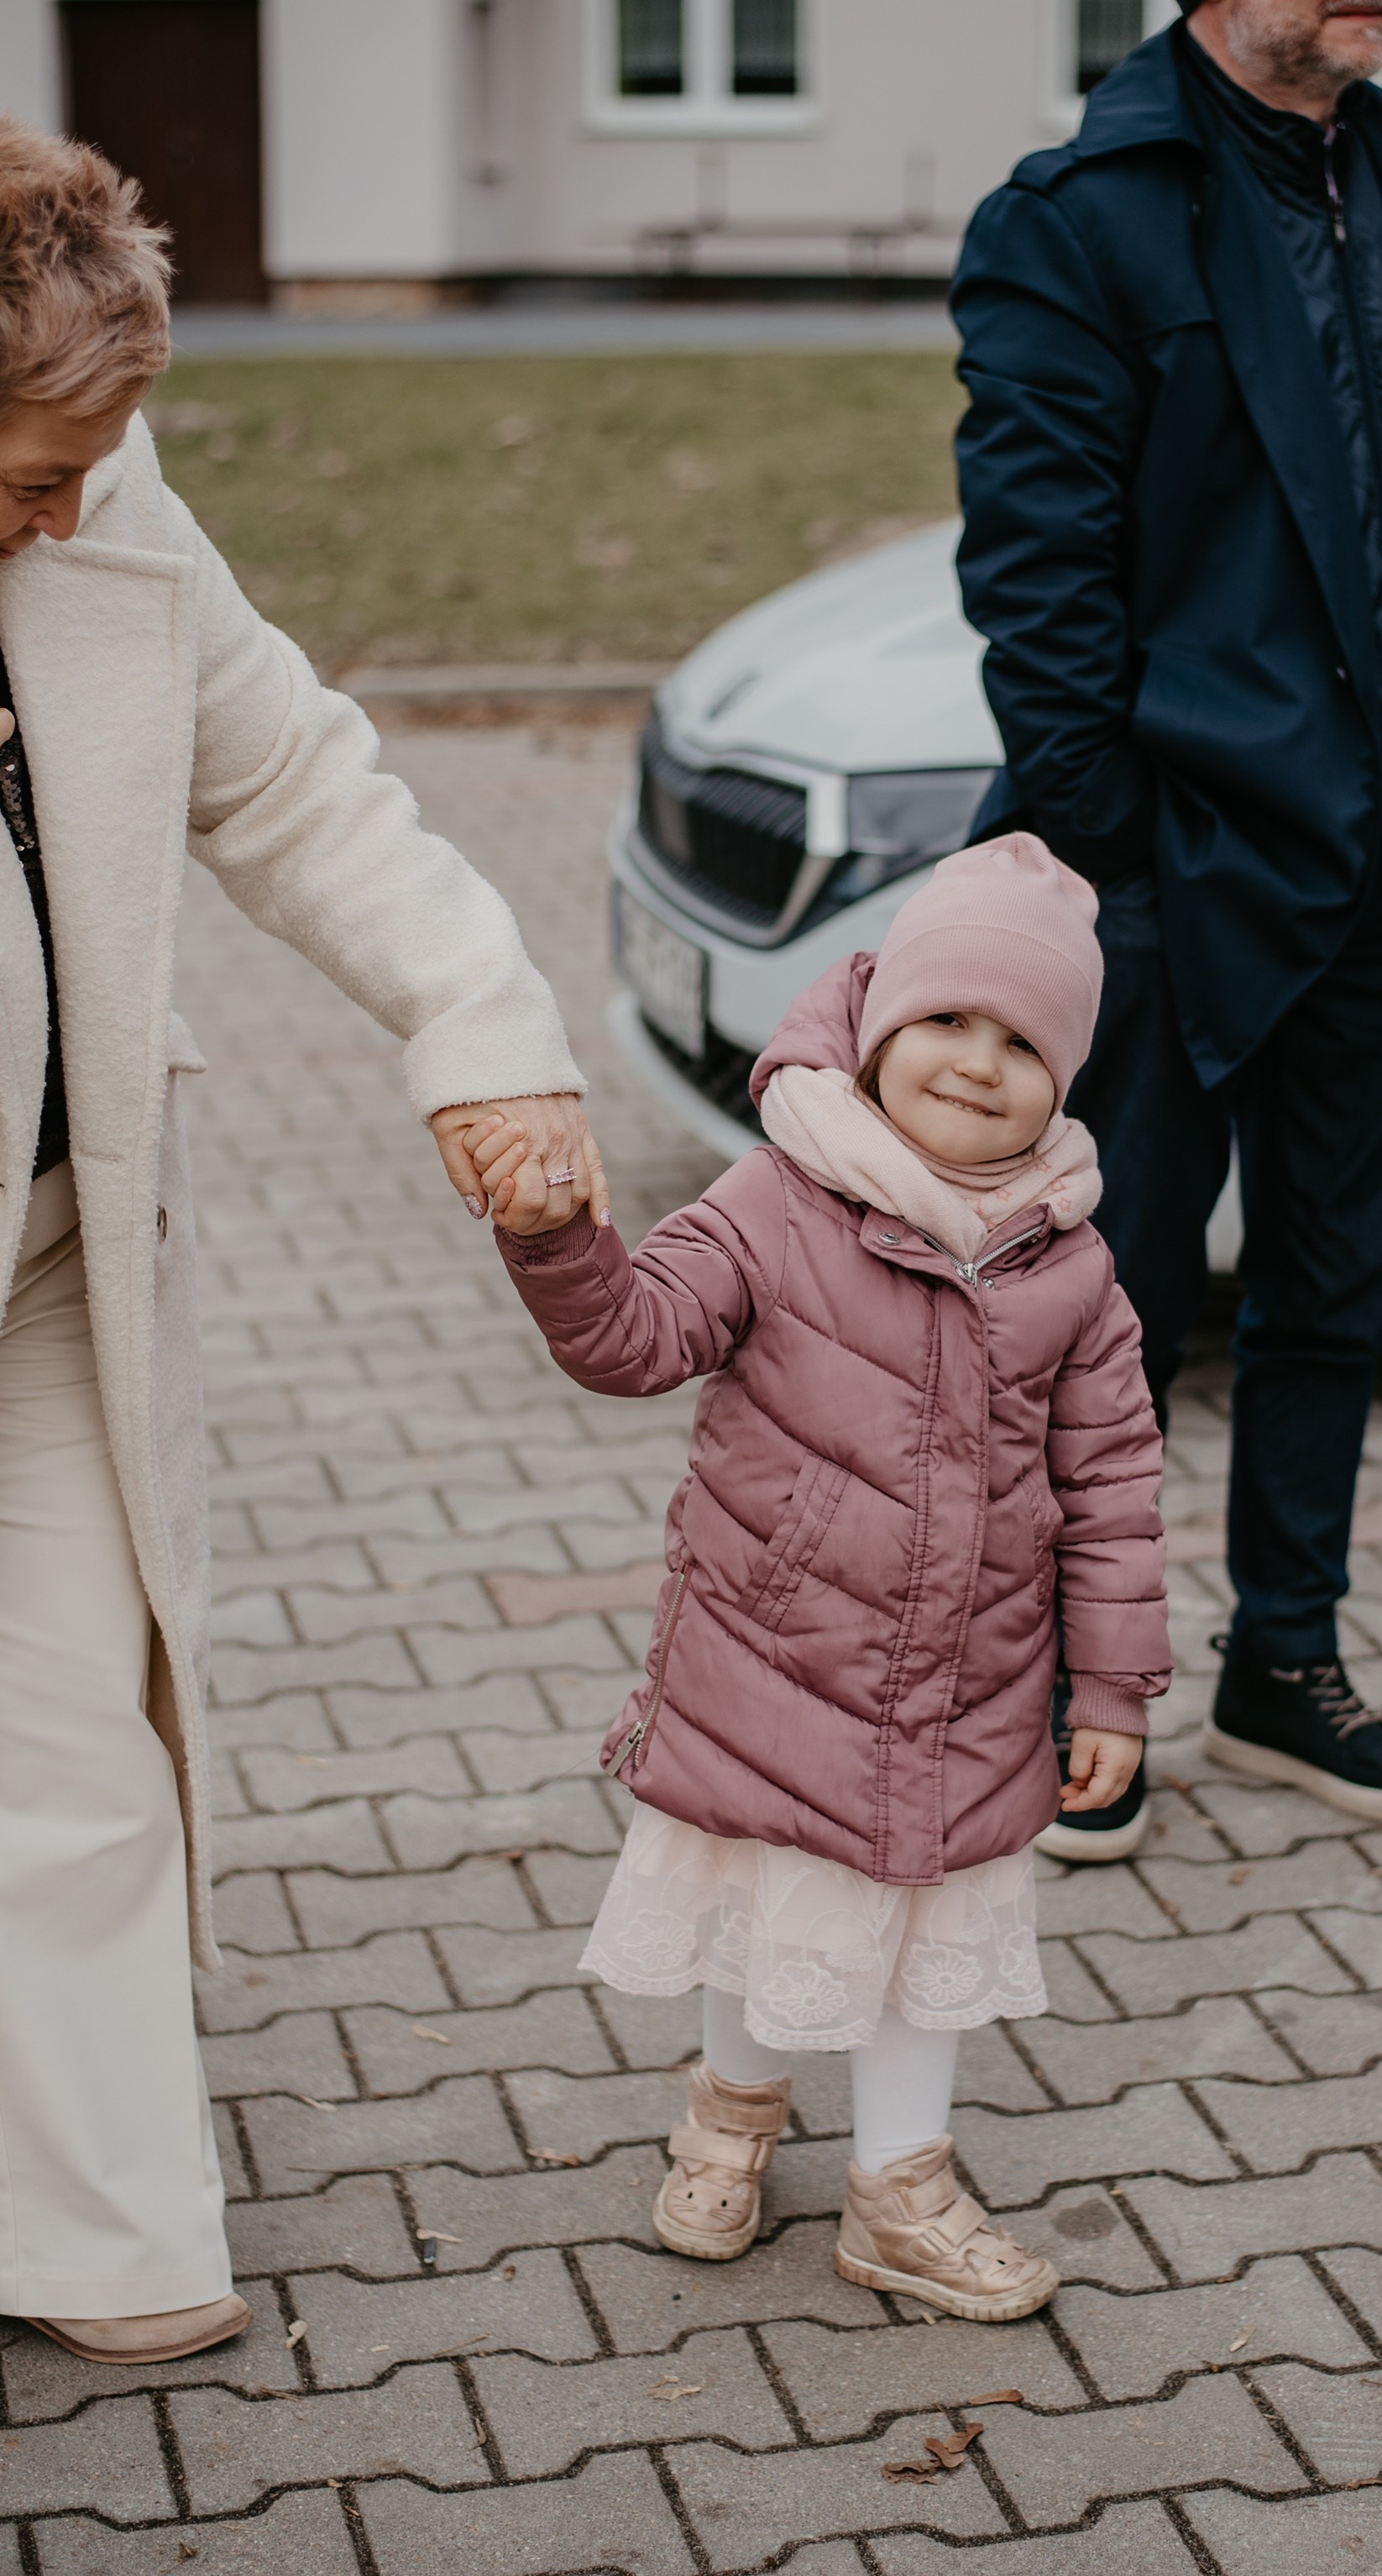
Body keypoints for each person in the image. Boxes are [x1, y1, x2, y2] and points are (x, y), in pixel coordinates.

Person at [0, 118, 607, 2366]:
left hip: (61, 1232)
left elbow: (284, 778)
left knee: (70, 1715)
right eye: (27, 475)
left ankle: (94, 2227)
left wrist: (484, 1023)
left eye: (97, 466)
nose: (71, 515)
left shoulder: (106, 494)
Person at [950, 0, 1382, 1847]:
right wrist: (1114, 846)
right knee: (1113, 1311)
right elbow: (1035, 580)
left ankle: (1285, 1668)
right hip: (1178, 856)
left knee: (1335, 1286)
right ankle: (1082, 1707)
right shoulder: (1079, 215)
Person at [478, 836, 1170, 2321]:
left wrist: (1112, 1680)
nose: (978, 1065)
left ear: (1066, 1077)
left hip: (975, 1680)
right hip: (777, 1658)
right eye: (946, 1022)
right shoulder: (777, 1200)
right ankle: (731, 2114)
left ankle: (900, 2191)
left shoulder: (1071, 1262)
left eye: (1022, 1042)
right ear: (876, 1026)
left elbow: (1115, 1485)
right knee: (770, 1901)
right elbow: (638, 1339)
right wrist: (560, 1244)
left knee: (928, 1936)